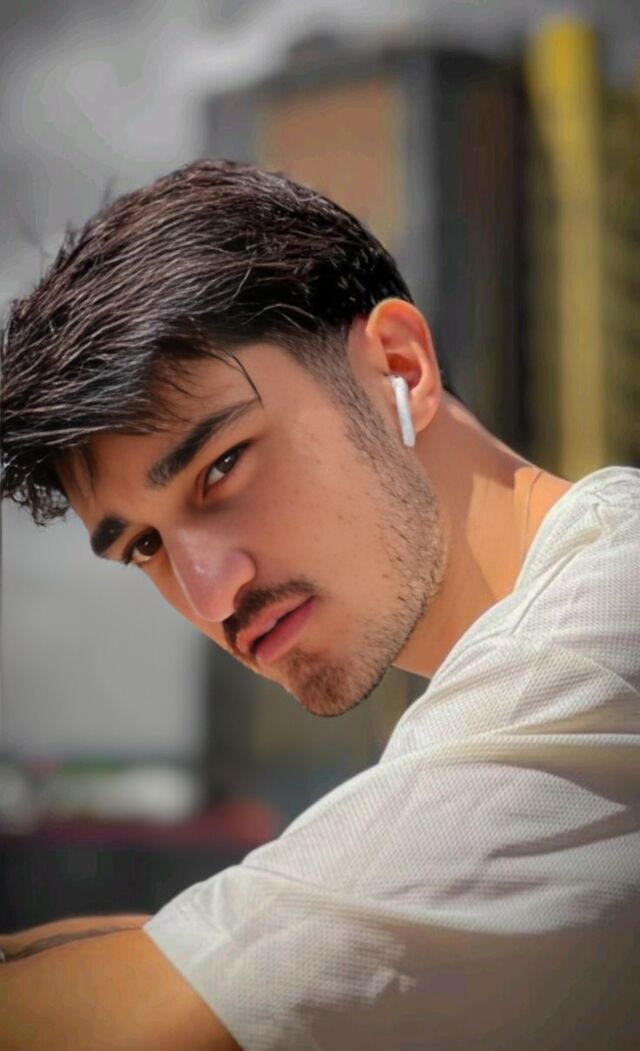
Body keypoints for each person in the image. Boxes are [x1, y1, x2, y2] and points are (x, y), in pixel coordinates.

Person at [0, 159, 638, 1051]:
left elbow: (161, 1020)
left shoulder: (600, 632)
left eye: (222, 465)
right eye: (145, 545)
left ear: (400, 366)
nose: (210, 591)